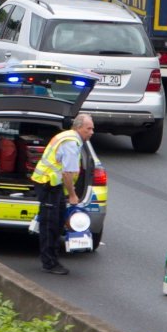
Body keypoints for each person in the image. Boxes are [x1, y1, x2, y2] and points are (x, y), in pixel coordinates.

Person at [30, 112, 96, 275]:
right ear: (79, 127)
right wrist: (73, 195)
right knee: (50, 224)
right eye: (89, 129)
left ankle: (52, 258)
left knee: (57, 221)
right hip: (49, 185)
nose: (92, 132)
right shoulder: (71, 143)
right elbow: (67, 173)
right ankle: (49, 262)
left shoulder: (69, 137)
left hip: (53, 185)